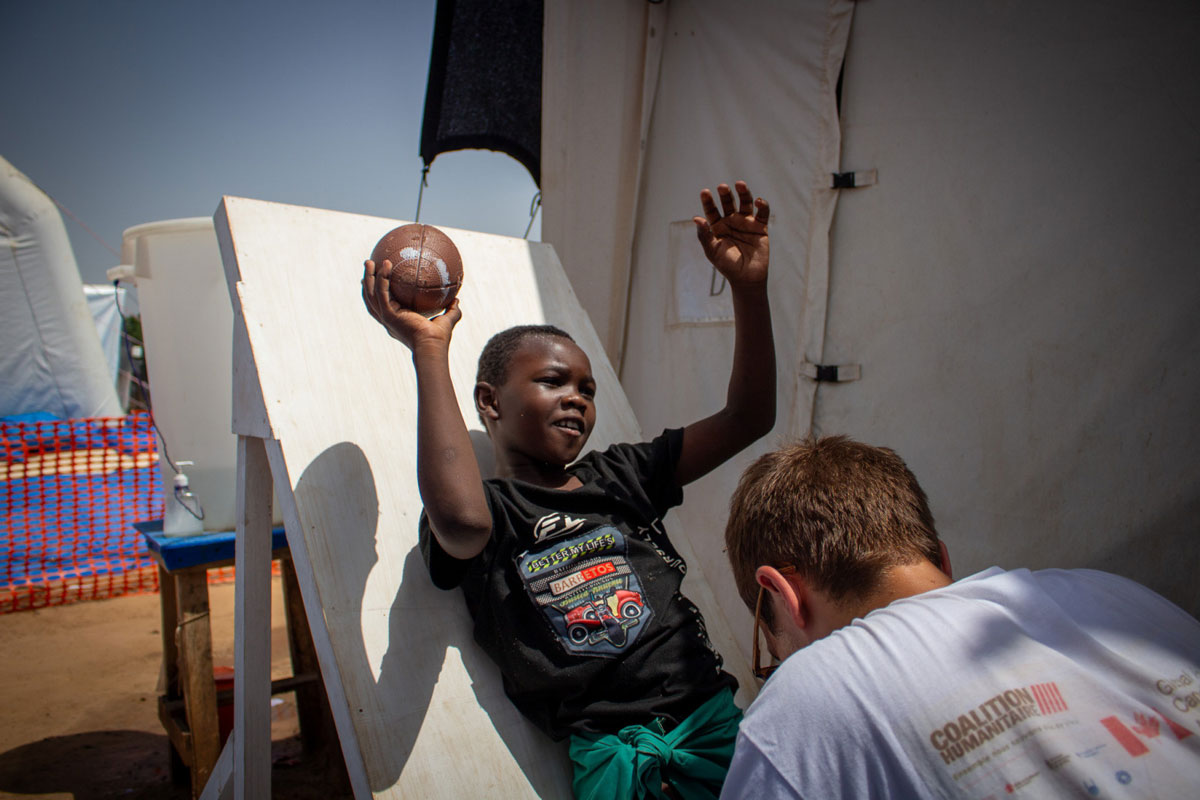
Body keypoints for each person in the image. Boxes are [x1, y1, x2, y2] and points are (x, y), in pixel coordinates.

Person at [362, 181, 776, 799]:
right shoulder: (489, 513)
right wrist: (429, 348)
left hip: (711, 725)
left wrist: (749, 288)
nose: (577, 399)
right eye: (555, 381)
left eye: (587, 389)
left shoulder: (625, 475)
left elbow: (749, 417)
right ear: (489, 401)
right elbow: (462, 526)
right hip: (609, 759)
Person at [720, 436, 1200, 799]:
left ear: (783, 594)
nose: (779, 667)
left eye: (773, 653)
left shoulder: (805, 700)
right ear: (941, 561)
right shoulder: (1111, 594)